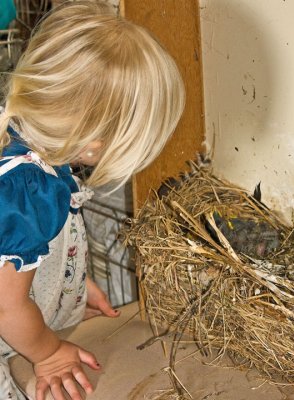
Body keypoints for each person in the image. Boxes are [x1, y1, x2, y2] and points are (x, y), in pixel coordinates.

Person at [0, 1, 185, 399]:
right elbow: (5, 305)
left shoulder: (20, 134)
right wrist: (48, 353)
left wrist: (67, 283)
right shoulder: (32, 192)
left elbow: (15, 255)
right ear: (93, 139)